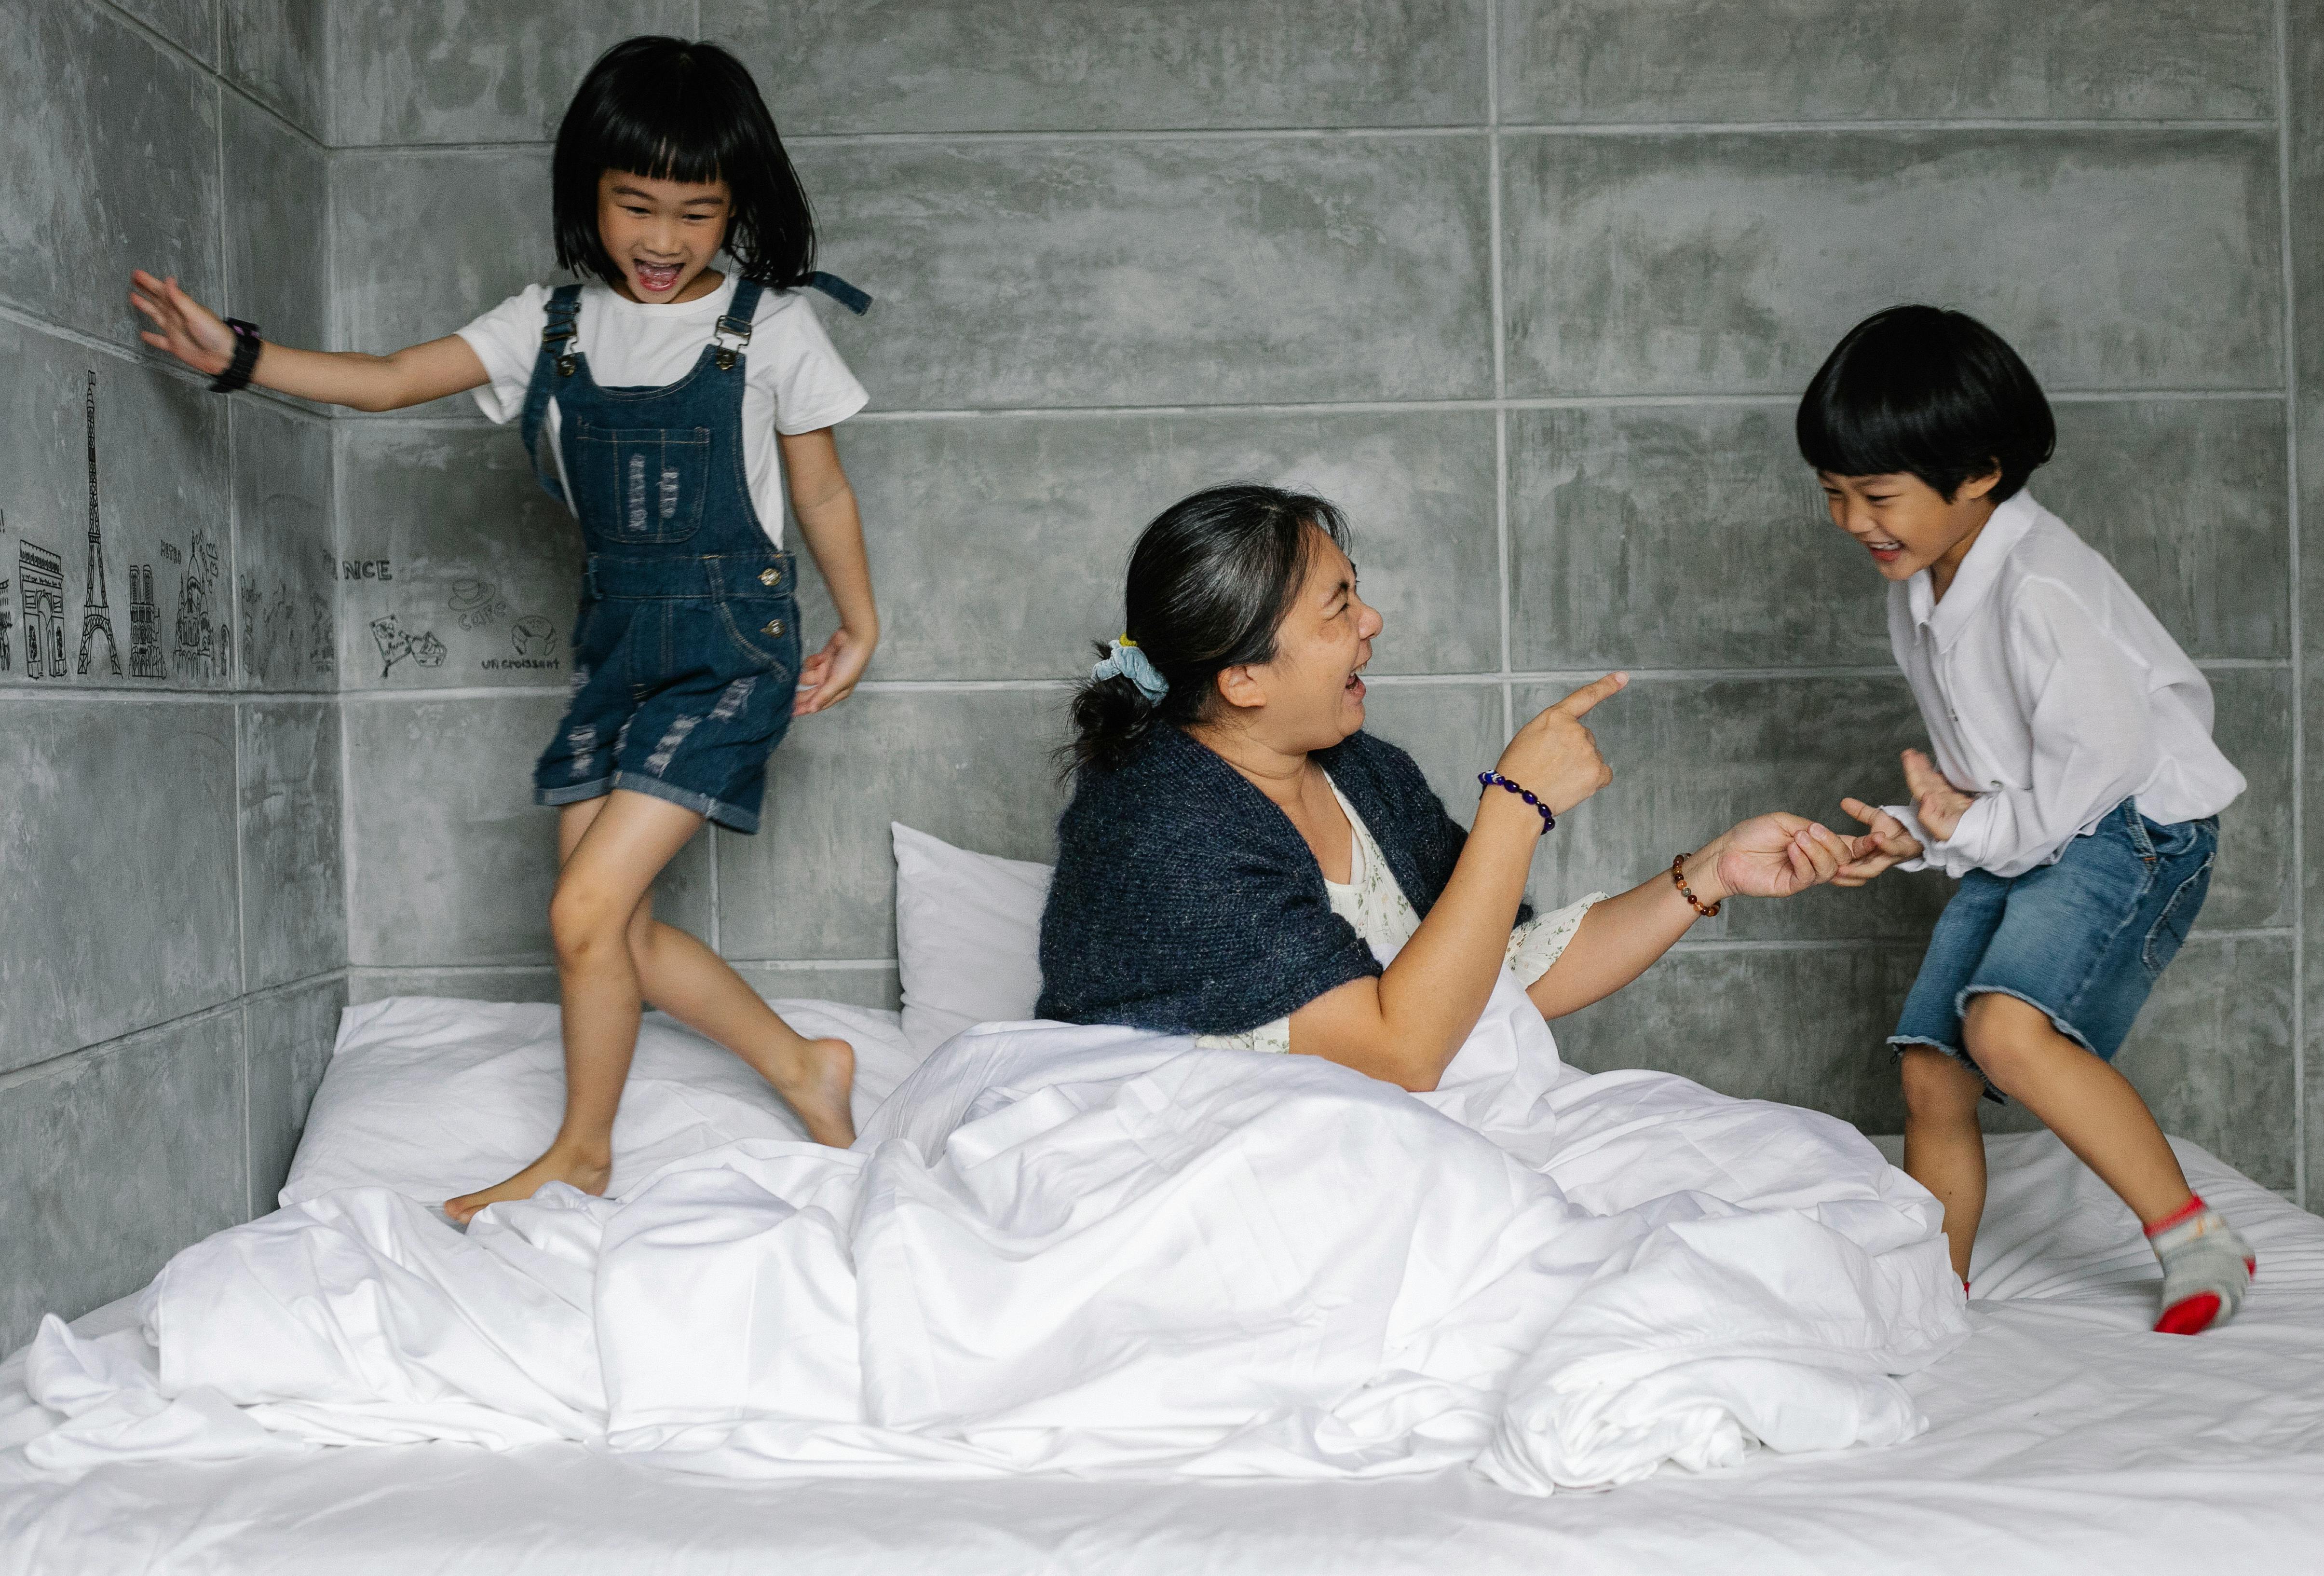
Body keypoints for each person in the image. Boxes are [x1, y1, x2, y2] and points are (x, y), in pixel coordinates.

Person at [129, 37, 875, 1220]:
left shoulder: (769, 328)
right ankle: (801, 1062)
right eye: (637, 205)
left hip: (734, 648)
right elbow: (385, 377)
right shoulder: (552, 327)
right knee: (608, 928)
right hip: (618, 648)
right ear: (589, 193)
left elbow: (821, 490)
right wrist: (245, 358)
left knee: (581, 912)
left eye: (698, 211)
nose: (667, 240)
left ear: (736, 208)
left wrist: (862, 620)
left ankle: (582, 1153)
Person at [1037, 482, 1864, 1094]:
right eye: (1339, 608)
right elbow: (1403, 1052)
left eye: (1356, 591)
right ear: (1245, 678)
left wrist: (1713, 871)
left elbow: (1493, 974)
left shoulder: (1363, 772)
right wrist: (1515, 807)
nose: (1373, 622)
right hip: (1212, 1169)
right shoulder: (1154, 830)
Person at [1807, 305, 2252, 1333]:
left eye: (1875, 495)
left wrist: (1963, 833)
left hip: (2132, 821)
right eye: (1832, 495)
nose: (1850, 522)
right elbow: (1988, 776)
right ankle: (1933, 1294)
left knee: (2004, 1030)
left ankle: (2196, 1239)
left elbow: (2103, 765)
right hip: (2044, 821)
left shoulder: (2040, 585)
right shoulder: (1920, 581)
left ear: (1978, 475)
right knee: (1930, 1063)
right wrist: (1911, 830)